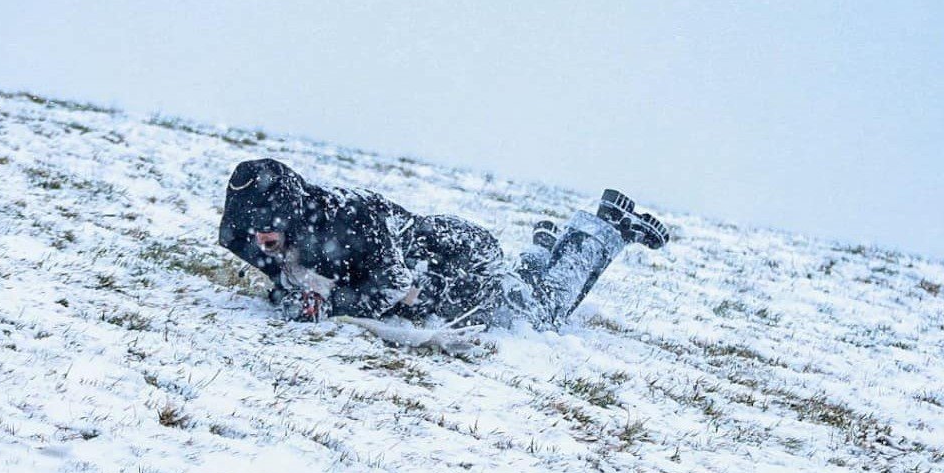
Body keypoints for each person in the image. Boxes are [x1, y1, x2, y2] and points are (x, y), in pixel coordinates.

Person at [217, 158, 669, 330]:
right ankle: (542, 248)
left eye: (265, 226)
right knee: (523, 285)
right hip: (439, 259)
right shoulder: (297, 226)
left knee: (540, 312)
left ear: (289, 213)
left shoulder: (346, 219)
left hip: (460, 266)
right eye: (250, 227)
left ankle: (605, 226)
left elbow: (390, 289)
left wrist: (328, 305)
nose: (259, 239)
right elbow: (300, 280)